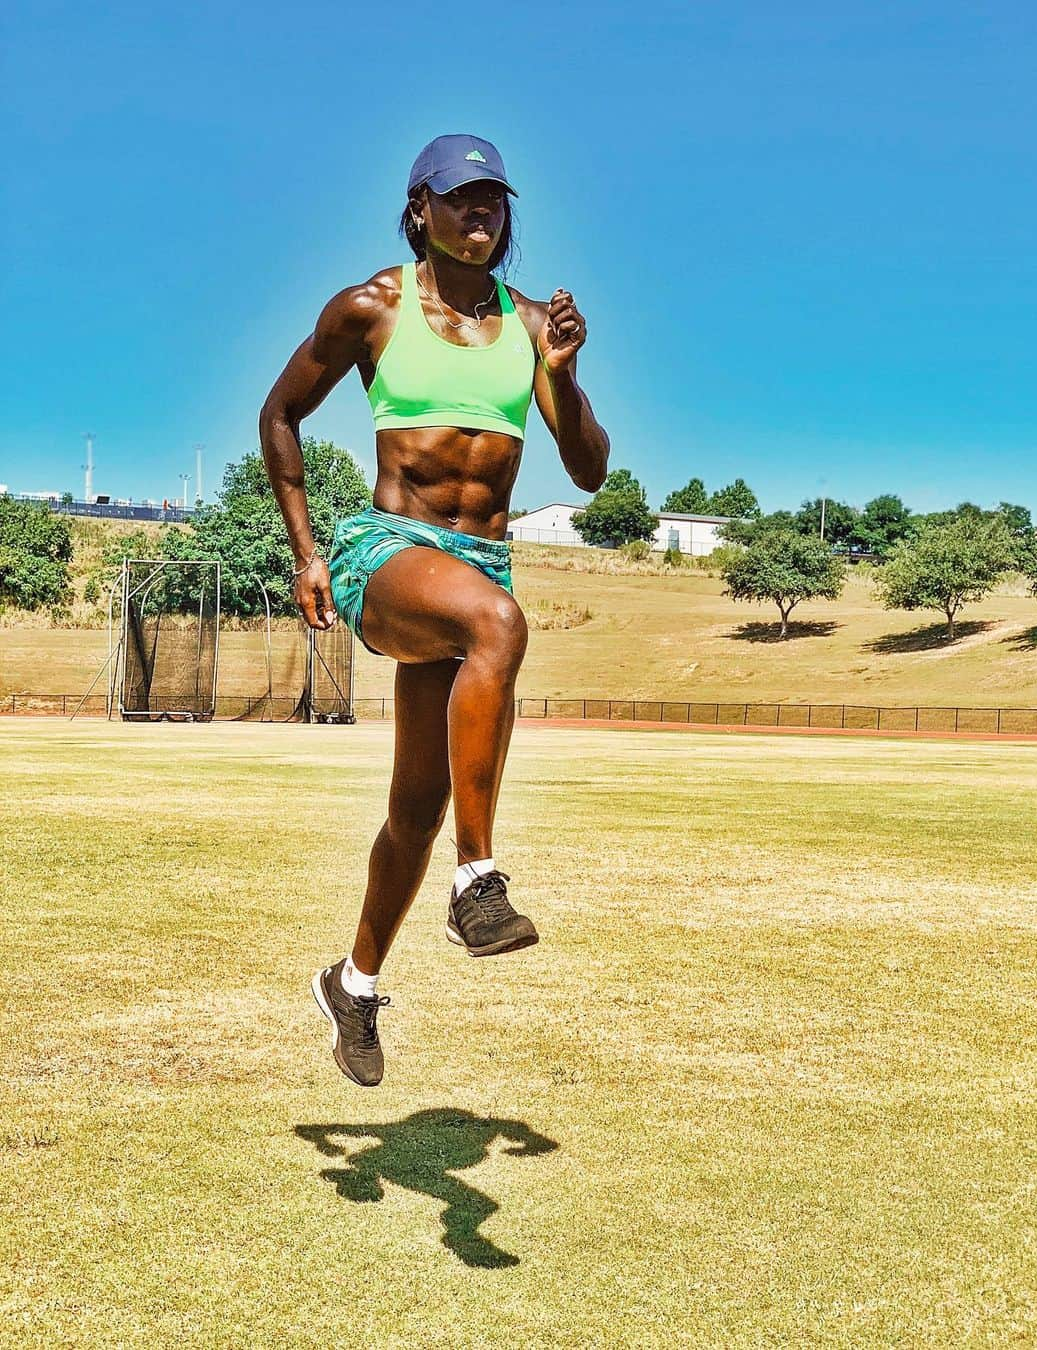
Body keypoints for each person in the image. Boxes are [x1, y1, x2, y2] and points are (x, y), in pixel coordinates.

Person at [260, 134, 609, 1086]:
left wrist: (565, 377)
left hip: (478, 564)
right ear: (420, 211)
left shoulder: (536, 325)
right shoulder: (372, 307)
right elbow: (280, 414)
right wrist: (308, 553)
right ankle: (478, 883)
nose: (481, 216)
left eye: (494, 201)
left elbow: (588, 469)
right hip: (391, 555)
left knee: (414, 809)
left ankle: (355, 985)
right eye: (460, 200)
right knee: (498, 624)